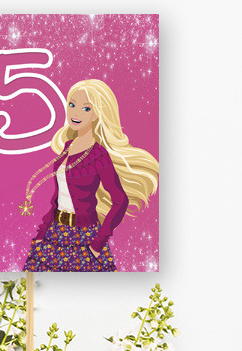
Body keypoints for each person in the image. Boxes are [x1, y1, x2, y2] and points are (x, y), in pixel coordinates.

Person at [21, 79, 158, 272]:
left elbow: (120, 200)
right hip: (55, 233)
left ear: (96, 114)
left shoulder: (98, 155)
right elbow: (59, 197)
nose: (75, 113)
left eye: (86, 109)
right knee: (36, 283)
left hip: (84, 238)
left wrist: (98, 243)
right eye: (72, 105)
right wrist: (42, 233)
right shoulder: (67, 147)